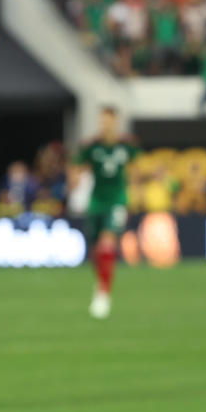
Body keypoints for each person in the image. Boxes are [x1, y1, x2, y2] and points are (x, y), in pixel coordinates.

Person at [72, 106, 139, 319]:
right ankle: (101, 282)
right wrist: (74, 180)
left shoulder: (127, 145)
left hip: (117, 199)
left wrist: (136, 190)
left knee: (107, 242)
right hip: (96, 201)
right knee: (95, 250)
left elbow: (135, 168)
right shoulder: (91, 146)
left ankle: (103, 294)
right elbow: (76, 165)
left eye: (108, 121)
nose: (104, 125)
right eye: (102, 121)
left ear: (115, 122)